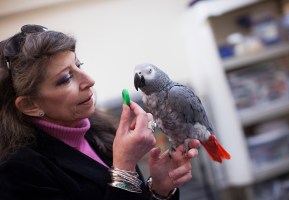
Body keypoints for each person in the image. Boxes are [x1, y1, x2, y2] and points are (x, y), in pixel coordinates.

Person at [0, 24, 200, 200]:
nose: (89, 80)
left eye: (79, 65)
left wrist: (159, 189)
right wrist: (125, 167)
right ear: (30, 105)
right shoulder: (17, 172)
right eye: (66, 78)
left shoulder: (98, 130)